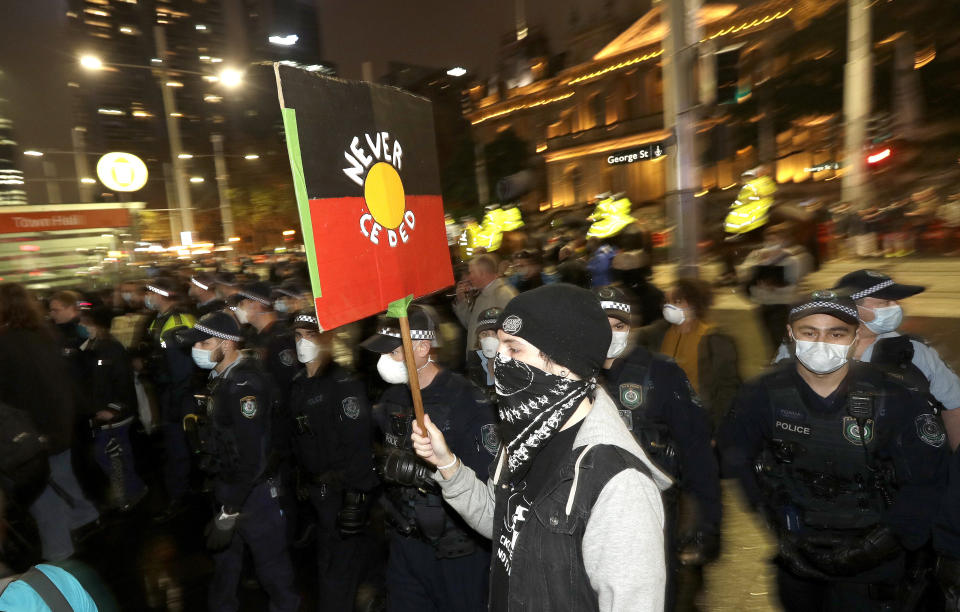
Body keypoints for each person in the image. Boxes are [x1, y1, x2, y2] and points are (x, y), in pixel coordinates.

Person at [411, 284, 672, 611]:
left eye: (514, 349)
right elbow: (503, 523)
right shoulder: (524, 439)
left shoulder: (618, 484)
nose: (498, 359)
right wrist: (447, 463)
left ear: (565, 366)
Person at [721, 290, 949, 611]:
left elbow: (929, 480)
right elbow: (737, 458)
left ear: (855, 337)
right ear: (790, 334)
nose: (822, 344)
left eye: (836, 333)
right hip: (799, 559)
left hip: (874, 564)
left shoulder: (894, 398)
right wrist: (776, 525)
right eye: (809, 332)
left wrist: (878, 547)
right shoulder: (761, 394)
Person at [361, 305, 498, 612]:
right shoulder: (392, 398)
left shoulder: (466, 401)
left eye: (393, 352)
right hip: (405, 544)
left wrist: (428, 473)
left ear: (422, 348)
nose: (384, 361)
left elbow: (487, 484)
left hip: (456, 551)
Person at [596, 286, 720, 610]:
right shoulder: (570, 376)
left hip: (655, 515)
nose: (609, 333)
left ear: (631, 329)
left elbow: (697, 452)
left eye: (618, 325)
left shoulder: (661, 374)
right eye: (600, 323)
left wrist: (709, 522)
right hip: (593, 518)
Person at [181, 312, 300, 612]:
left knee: (272, 569)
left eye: (205, 343)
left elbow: (253, 455)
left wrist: (230, 509)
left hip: (253, 494)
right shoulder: (220, 378)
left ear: (228, 343)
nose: (198, 349)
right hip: (227, 486)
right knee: (225, 566)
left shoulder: (246, 385)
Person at [774, 269, 960, 449]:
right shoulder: (799, 348)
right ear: (854, 307)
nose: (896, 307)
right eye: (885, 303)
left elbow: (954, 406)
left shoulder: (914, 351)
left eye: (895, 302)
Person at [0, 283, 100, 562]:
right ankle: (83, 515)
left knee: (40, 494)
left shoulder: (6, 343)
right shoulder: (44, 335)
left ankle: (59, 553)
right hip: (58, 423)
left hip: (29, 433)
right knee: (59, 475)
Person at [288, 310, 379, 611]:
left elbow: (358, 443)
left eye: (310, 336)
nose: (302, 343)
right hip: (319, 495)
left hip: (342, 493)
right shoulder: (300, 383)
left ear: (324, 339)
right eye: (298, 336)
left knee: (339, 569)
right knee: (328, 560)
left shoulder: (342, 385)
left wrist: (357, 496)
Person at [637, 278, 741, 431]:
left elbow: (727, 390)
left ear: (692, 304)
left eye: (676, 301)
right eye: (666, 301)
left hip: (698, 419)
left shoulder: (715, 340)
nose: (668, 306)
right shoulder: (659, 333)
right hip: (663, 418)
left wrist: (718, 429)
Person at [78, 306, 149, 512]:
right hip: (102, 415)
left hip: (115, 416)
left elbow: (122, 382)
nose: (80, 327)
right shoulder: (89, 346)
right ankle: (128, 491)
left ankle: (129, 493)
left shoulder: (111, 348)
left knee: (112, 456)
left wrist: (113, 409)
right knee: (112, 455)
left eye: (83, 323)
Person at [142, 277, 198, 522]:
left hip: (179, 393)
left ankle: (180, 498)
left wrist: (175, 401)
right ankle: (186, 491)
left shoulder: (178, 322)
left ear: (162, 295)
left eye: (151, 293)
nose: (147, 297)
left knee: (178, 448)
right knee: (180, 447)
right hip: (169, 391)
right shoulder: (159, 320)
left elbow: (183, 369)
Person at [738, 222, 814, 351]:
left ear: (784, 241)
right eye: (769, 239)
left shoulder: (791, 259)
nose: (771, 243)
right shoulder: (756, 255)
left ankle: (785, 362)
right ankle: (776, 360)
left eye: (776, 240)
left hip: (782, 305)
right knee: (768, 337)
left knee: (781, 337)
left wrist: (775, 287)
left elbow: (793, 283)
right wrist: (757, 264)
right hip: (763, 303)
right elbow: (742, 273)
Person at [236, 281, 300, 398]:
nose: (238, 309)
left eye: (242, 303)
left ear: (256, 305)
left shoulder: (280, 340)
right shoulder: (252, 336)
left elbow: (288, 385)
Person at [454, 254, 517, 359]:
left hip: (492, 361)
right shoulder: (481, 296)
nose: (469, 277)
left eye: (471, 272)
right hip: (480, 360)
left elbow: (514, 330)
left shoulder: (504, 294)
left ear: (482, 273)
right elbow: (471, 325)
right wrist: (462, 302)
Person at [464, 307, 502, 397]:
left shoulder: (516, 365)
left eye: (495, 333)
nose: (490, 339)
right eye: (484, 334)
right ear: (479, 339)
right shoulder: (473, 364)